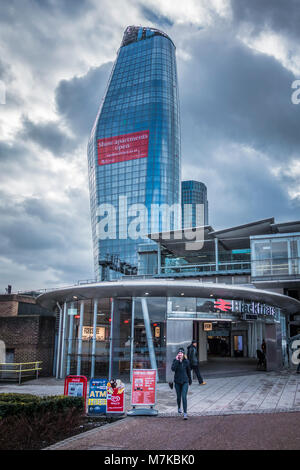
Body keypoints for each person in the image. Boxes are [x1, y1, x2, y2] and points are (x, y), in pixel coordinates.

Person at [171, 347, 192, 420]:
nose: (180, 354)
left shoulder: (186, 361)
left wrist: (190, 381)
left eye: (181, 353)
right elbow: (173, 369)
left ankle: (185, 413)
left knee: (184, 396)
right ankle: (179, 407)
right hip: (177, 382)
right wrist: (177, 361)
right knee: (178, 397)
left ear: (183, 354)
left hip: (185, 381)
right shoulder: (175, 360)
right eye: (179, 353)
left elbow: (189, 371)